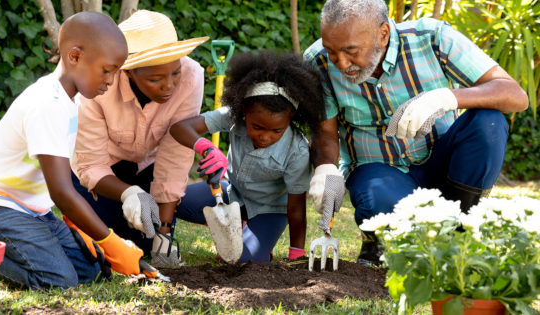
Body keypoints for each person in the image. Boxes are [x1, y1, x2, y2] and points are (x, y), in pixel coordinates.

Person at [304, 0, 529, 267]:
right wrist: (326, 168)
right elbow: (325, 132)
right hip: (379, 170)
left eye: (350, 50)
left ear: (383, 33)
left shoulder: (432, 38)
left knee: (488, 120)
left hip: (444, 163)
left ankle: (460, 236)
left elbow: (515, 95)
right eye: (332, 50)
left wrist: (446, 98)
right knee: (380, 205)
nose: (340, 62)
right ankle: (378, 241)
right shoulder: (317, 61)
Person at [0, 12, 157, 290]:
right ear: (75, 57)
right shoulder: (47, 102)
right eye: (106, 70)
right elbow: (62, 191)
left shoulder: (72, 102)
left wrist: (86, 233)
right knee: (58, 280)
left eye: (115, 72)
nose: (110, 80)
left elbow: (55, 184)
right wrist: (111, 242)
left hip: (29, 209)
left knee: (93, 270)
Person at [70, 10, 209, 268]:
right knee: (105, 247)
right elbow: (91, 165)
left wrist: (165, 234)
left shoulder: (192, 76)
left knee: (146, 245)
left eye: (174, 73)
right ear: (128, 71)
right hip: (101, 173)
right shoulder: (97, 86)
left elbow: (175, 155)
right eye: (156, 79)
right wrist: (129, 193)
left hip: (148, 166)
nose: (169, 85)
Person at [169, 51, 325, 263]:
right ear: (243, 111)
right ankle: (237, 226)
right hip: (233, 194)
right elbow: (180, 128)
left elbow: (296, 206)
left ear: (290, 119)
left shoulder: (297, 151)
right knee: (173, 201)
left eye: (277, 131)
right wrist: (206, 148)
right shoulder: (233, 116)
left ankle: (255, 237)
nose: (265, 137)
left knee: (240, 260)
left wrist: (296, 252)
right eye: (257, 127)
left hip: (270, 211)